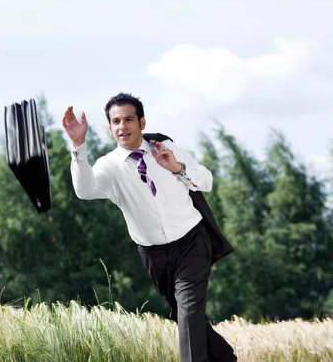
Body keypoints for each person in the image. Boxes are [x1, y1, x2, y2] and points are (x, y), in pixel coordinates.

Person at [62, 93, 237, 362]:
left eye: (129, 119)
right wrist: (78, 145)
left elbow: (206, 181)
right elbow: (84, 190)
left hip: (192, 241)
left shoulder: (164, 146)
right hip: (154, 254)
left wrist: (176, 167)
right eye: (116, 121)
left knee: (188, 312)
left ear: (142, 122)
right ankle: (224, 357)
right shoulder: (108, 167)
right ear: (110, 128)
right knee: (187, 316)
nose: (123, 126)